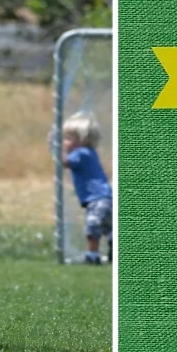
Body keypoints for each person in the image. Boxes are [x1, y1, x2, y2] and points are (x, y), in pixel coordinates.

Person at [62, 112, 112, 265]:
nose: (64, 143)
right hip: (106, 198)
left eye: (68, 139)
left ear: (82, 140)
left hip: (97, 200)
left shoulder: (81, 153)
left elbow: (64, 163)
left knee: (92, 227)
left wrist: (54, 148)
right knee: (107, 227)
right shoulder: (89, 153)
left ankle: (92, 256)